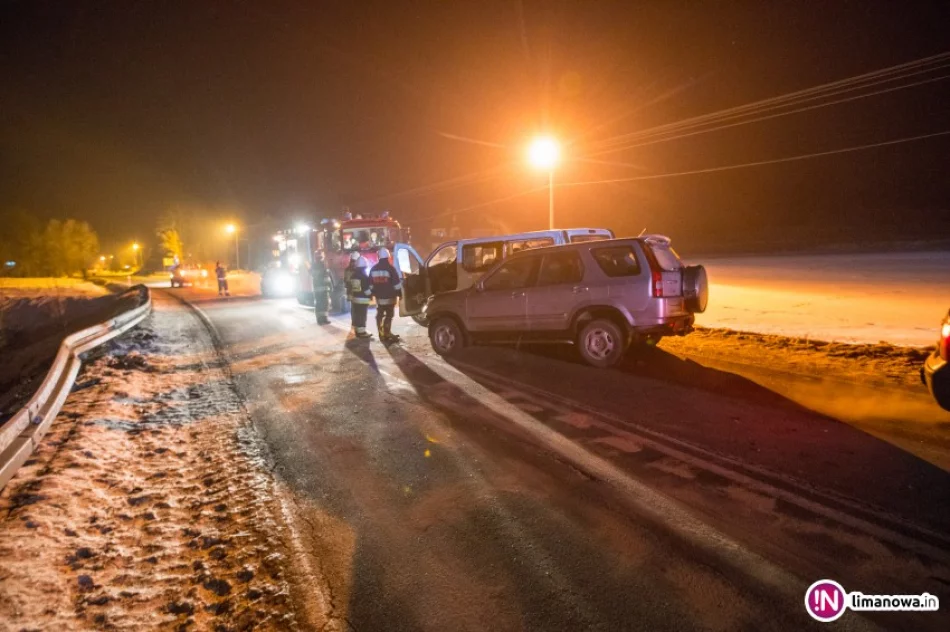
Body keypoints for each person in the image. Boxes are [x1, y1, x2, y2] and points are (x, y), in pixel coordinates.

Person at [369, 247, 402, 343]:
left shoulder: (373, 269)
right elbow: (397, 284)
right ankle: (387, 333)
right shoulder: (391, 269)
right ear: (388, 257)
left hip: (379, 298)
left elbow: (370, 285)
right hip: (390, 298)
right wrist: (400, 294)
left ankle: (381, 334)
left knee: (379, 315)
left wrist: (373, 293)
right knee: (389, 316)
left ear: (379, 257)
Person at [346, 254, 373, 338]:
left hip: (355, 299)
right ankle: (362, 332)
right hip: (363, 300)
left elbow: (350, 287)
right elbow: (366, 290)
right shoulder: (364, 276)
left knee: (357, 315)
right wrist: (371, 294)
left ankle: (357, 331)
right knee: (362, 315)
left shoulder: (353, 276)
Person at [311, 251, 331, 325]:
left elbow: (327, 276)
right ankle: (320, 319)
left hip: (324, 288)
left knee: (325, 303)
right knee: (320, 303)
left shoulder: (322, 264)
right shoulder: (315, 265)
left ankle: (324, 318)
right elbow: (316, 274)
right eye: (320, 257)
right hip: (319, 288)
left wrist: (329, 285)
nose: (321, 258)